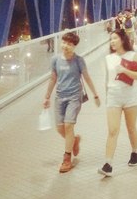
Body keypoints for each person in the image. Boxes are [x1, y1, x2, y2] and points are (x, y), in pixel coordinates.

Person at [43, 31, 100, 173]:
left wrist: (95, 95)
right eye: (64, 42)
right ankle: (74, 140)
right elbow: (53, 78)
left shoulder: (78, 60)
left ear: (74, 46)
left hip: (75, 97)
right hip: (59, 97)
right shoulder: (55, 59)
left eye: (69, 44)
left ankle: (67, 159)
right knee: (60, 128)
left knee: (68, 125)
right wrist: (47, 97)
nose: (65, 46)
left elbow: (87, 77)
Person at [98, 29, 137, 177]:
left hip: (130, 96)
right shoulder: (108, 58)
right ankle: (108, 164)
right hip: (113, 97)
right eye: (110, 39)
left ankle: (135, 151)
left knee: (131, 128)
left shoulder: (133, 56)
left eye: (115, 38)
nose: (112, 41)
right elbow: (107, 80)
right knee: (112, 130)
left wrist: (124, 70)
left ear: (123, 40)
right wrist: (107, 97)